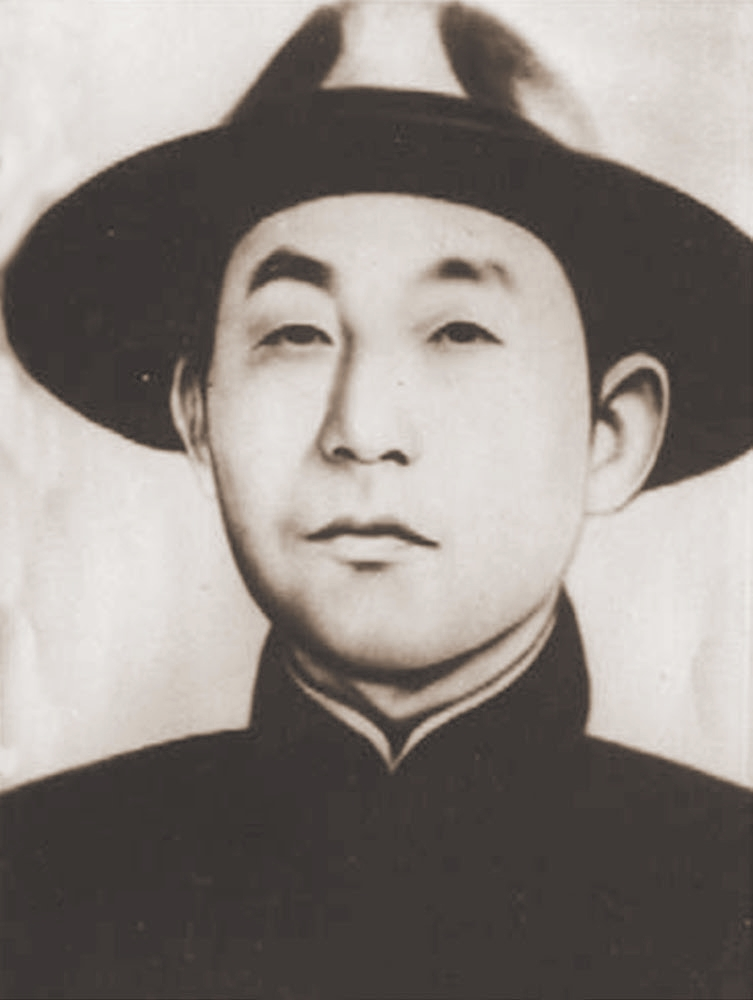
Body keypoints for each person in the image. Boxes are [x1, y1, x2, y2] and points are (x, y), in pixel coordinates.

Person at [1, 3, 751, 997]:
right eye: (295, 333)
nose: (361, 427)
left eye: (457, 332)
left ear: (610, 434)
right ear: (199, 416)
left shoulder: (726, 894)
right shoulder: (35, 883)